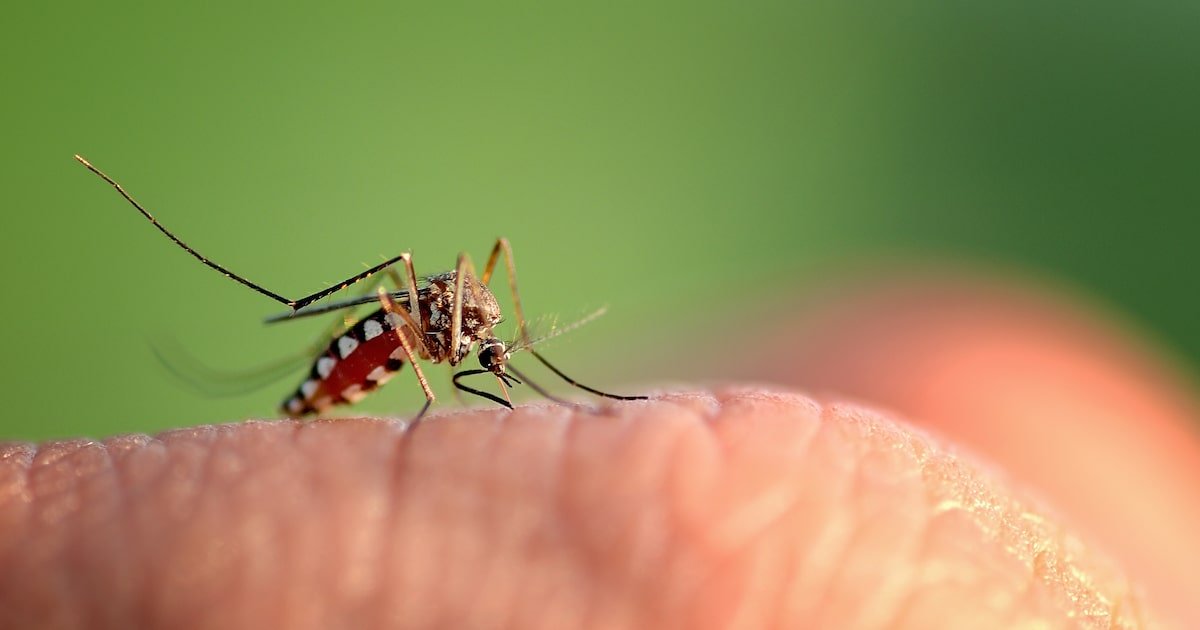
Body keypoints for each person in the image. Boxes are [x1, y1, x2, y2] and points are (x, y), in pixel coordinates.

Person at [1, 273, 1195, 628]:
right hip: (369, 337)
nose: (496, 357)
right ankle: (278, 329)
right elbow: (417, 309)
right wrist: (397, 355)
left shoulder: (480, 336)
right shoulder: (424, 338)